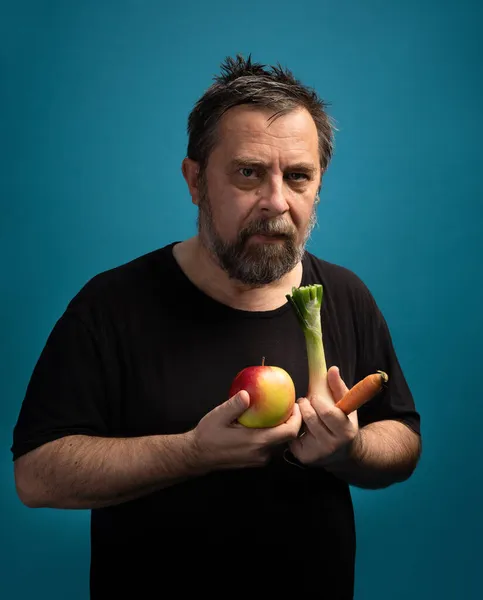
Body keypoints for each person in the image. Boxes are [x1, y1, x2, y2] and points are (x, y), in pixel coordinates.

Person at [11, 54, 422, 599]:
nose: (276, 203)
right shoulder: (111, 305)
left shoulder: (343, 295)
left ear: (318, 187)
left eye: (298, 177)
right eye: (249, 173)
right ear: (195, 180)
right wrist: (192, 452)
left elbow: (402, 438)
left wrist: (351, 451)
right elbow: (36, 477)